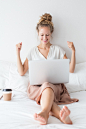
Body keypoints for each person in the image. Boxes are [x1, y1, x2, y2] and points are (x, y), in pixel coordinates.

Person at [16, 13, 79, 125]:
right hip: (36, 87)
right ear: (38, 34)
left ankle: (44, 113)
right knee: (46, 87)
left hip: (55, 87)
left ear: (51, 34)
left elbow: (71, 70)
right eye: (42, 35)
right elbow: (22, 72)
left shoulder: (58, 50)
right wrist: (18, 52)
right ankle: (61, 115)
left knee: (47, 86)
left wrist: (73, 51)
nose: (44, 38)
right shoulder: (32, 51)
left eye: (47, 35)